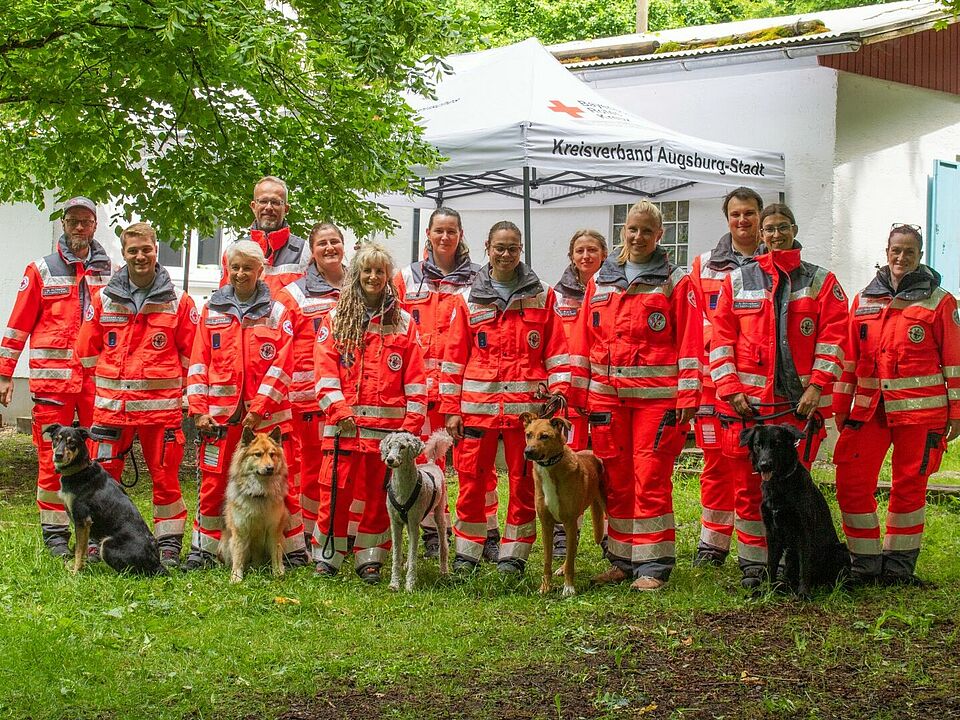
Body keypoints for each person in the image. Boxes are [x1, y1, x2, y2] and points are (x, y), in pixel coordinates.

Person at [709, 202, 848, 589]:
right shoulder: (737, 280)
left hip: (799, 409)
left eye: (781, 228)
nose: (774, 235)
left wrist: (817, 386)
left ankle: (794, 572)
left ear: (794, 229)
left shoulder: (822, 281)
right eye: (768, 229)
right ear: (761, 234)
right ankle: (756, 568)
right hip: (751, 408)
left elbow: (834, 339)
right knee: (749, 491)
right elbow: (721, 341)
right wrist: (730, 389)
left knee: (796, 492)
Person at [569, 201, 702, 591]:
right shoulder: (601, 279)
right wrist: (577, 391)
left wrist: (688, 396)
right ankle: (623, 559)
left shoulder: (676, 281)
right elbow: (583, 338)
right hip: (607, 398)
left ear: (660, 235)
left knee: (650, 476)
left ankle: (654, 564)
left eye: (646, 231)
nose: (637, 237)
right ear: (622, 231)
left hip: (656, 400)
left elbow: (692, 341)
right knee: (616, 478)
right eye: (631, 229)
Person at [440, 221, 570, 576]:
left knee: (524, 482)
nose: (506, 254)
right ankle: (467, 552)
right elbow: (454, 357)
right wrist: (450, 410)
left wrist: (559, 396)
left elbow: (558, 352)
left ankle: (514, 555)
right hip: (476, 413)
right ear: (487, 247)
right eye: (500, 247)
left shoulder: (543, 294)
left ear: (521, 250)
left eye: (513, 248)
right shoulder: (467, 299)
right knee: (470, 482)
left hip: (527, 417)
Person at [833, 224, 960, 585]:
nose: (901, 257)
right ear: (886, 251)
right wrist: (842, 407)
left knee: (909, 487)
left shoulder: (940, 301)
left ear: (920, 255)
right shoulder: (863, 300)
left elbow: (954, 362)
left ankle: (899, 568)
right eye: (895, 250)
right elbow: (848, 360)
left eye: (909, 251)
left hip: (921, 415)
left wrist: (957, 413)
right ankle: (865, 563)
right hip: (870, 410)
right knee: (852, 484)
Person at [74, 222, 198, 568]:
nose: (140, 256)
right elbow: (85, 352)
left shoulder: (180, 302)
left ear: (156, 249)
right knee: (103, 480)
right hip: (113, 411)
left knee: (166, 479)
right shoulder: (102, 299)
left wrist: (183, 394)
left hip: (161, 414)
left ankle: (169, 544)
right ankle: (105, 541)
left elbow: (194, 358)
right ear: (123, 254)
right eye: (133, 251)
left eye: (146, 249)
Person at [183, 240, 307, 570]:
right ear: (228, 270)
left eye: (248, 268)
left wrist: (261, 406)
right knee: (211, 484)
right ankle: (204, 550)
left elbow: (284, 364)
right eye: (235, 267)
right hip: (220, 419)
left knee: (280, 484)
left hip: (266, 417)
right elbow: (199, 363)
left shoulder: (276, 311)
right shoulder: (211, 310)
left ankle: (290, 552)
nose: (241, 273)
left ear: (260, 272)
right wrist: (198, 408)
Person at [0, 196, 112, 559]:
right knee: (54, 459)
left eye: (86, 221)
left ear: (95, 226)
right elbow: (17, 325)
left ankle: (96, 530)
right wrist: (4, 374)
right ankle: (55, 535)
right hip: (53, 385)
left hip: (96, 382)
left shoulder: (109, 271)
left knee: (99, 458)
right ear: (63, 224)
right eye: (73, 221)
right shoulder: (41, 270)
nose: (80, 227)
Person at [312, 241, 427, 585]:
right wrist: (339, 409)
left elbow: (417, 380)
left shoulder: (404, 323)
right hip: (343, 429)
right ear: (356, 274)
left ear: (388, 276)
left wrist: (409, 428)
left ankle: (371, 559)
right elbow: (324, 371)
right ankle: (327, 555)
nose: (373, 277)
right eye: (367, 270)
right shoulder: (335, 319)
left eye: (380, 271)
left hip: (386, 438)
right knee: (335, 493)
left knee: (379, 500)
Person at [394, 207, 484, 559]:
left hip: (462, 390)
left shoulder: (478, 278)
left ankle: (482, 532)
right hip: (418, 390)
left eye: (451, 231)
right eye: (438, 231)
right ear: (428, 235)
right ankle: (431, 530)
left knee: (470, 467)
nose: (444, 237)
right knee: (422, 464)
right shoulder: (406, 278)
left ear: (460, 235)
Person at [688, 187, 764, 568]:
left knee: (753, 465)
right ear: (727, 218)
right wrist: (723, 344)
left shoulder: (775, 263)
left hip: (756, 385)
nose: (743, 221)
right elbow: (696, 320)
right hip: (710, 383)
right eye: (736, 214)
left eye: (749, 213)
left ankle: (758, 545)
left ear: (761, 217)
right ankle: (712, 544)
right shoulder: (703, 265)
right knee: (715, 463)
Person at [275, 222, 345, 549]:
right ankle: (306, 534)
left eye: (335, 242)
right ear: (312, 252)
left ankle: (332, 532)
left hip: (345, 398)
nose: (330, 248)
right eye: (322, 244)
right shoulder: (294, 294)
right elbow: (281, 346)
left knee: (338, 471)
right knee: (307, 469)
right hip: (304, 401)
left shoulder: (359, 289)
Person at [550, 228, 608, 560]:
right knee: (563, 464)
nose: (585, 256)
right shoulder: (556, 296)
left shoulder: (612, 288)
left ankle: (608, 533)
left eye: (592, 250)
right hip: (566, 394)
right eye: (579, 251)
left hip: (600, 389)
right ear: (571, 256)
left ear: (604, 254)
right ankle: (562, 533)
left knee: (601, 465)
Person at [219, 176, 309, 294]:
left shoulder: (305, 252)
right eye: (263, 201)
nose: (268, 207)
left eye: (275, 202)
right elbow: (224, 301)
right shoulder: (233, 251)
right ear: (253, 206)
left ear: (286, 208)